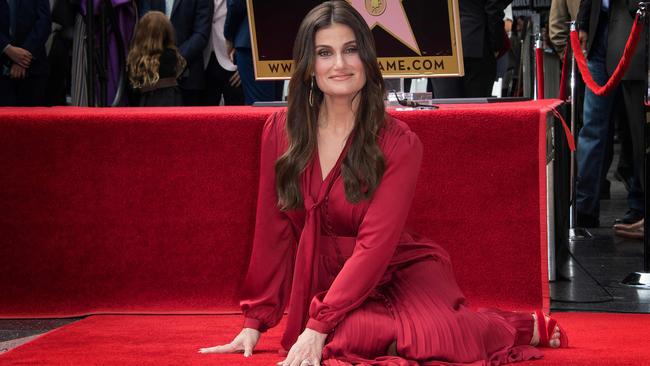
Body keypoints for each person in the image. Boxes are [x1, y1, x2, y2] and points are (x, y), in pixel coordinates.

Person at [199, 2, 567, 365]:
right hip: (321, 283)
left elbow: (375, 245)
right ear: (309, 66)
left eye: (351, 50)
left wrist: (317, 326)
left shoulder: (399, 141)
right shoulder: (279, 132)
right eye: (325, 53)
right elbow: (273, 230)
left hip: (394, 271)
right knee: (350, 338)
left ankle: (509, 326)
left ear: (368, 59)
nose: (340, 65)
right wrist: (255, 322)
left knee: (436, 340)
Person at [575, 0, 647, 228]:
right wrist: (584, 22)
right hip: (600, 31)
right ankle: (584, 208)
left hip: (635, 26)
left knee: (637, 129)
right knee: (592, 127)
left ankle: (639, 206)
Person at [138, 0, 213, 106]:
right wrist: (160, 61)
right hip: (153, 82)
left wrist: (174, 59)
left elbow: (201, 34)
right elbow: (144, 23)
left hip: (188, 78)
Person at [127, 11, 185, 106]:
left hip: (145, 103)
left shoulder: (135, 59)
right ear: (166, 33)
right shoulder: (171, 55)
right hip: (170, 103)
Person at [0, 0, 51, 106]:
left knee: (32, 121)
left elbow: (44, 22)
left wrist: (22, 59)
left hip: (32, 70)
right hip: (2, 69)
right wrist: (7, 48)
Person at [201, 0, 243, 106]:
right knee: (207, 116)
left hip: (233, 61)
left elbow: (248, 22)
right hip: (205, 61)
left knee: (236, 116)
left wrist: (245, 64)